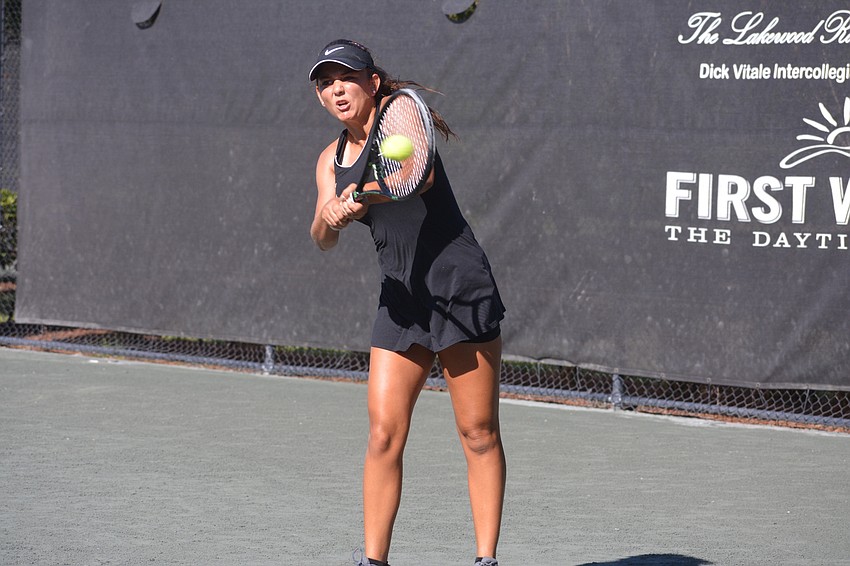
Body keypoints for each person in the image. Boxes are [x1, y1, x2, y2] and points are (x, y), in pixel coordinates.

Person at [308, 39, 506, 566]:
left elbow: (418, 176)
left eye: (345, 77)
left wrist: (361, 196)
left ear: (373, 82)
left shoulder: (401, 117)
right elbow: (322, 237)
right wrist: (329, 214)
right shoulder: (330, 159)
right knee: (383, 432)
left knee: (478, 431)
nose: (336, 89)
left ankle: (485, 560)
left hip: (459, 287)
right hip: (399, 299)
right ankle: (373, 560)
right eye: (325, 83)